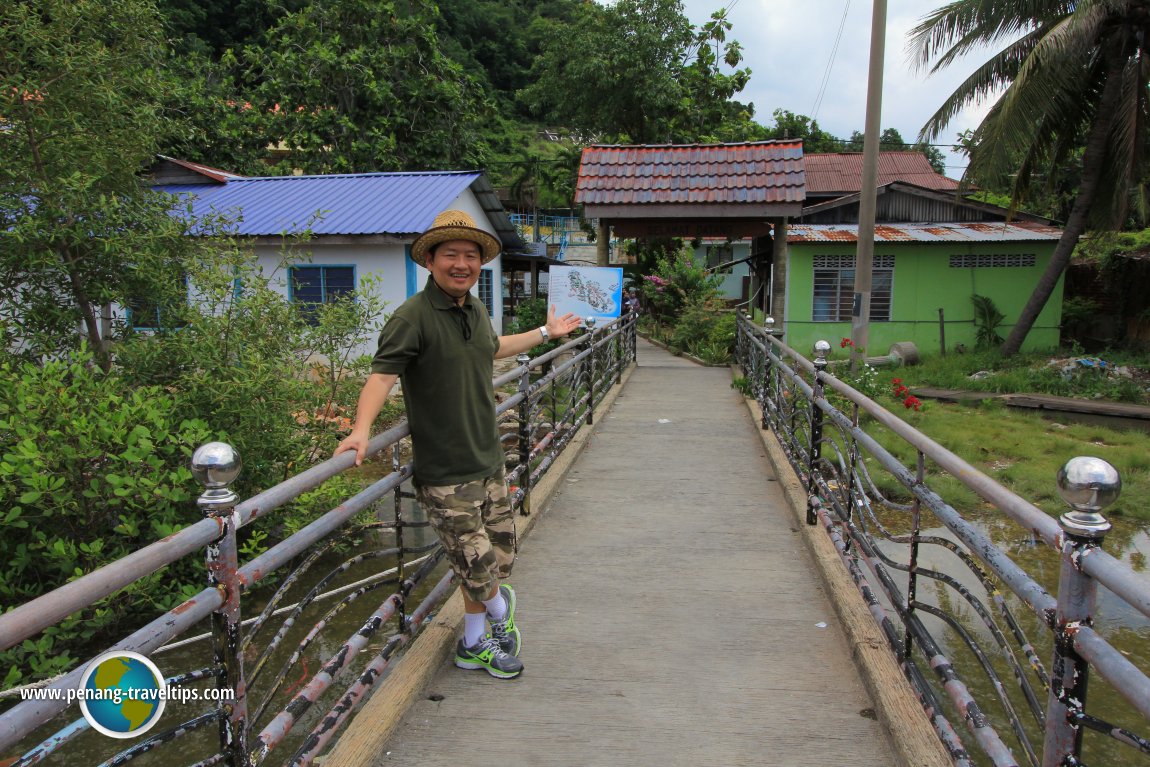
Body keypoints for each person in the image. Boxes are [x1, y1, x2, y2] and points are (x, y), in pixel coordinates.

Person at [334, 209, 581, 679]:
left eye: (470, 256)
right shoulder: (411, 318)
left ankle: (472, 644)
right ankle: (496, 617)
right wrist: (362, 427)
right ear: (430, 259)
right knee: (477, 564)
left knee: (498, 557)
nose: (462, 263)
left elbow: (491, 348)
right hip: (446, 470)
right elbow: (382, 374)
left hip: (487, 456)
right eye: (451, 254)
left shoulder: (473, 306)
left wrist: (548, 333)